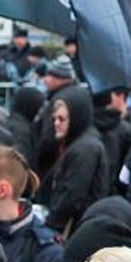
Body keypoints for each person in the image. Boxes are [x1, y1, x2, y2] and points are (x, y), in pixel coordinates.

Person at [38, 86, 110, 234]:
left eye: (62, 119)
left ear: (76, 118)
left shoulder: (84, 148)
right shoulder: (77, 143)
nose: (56, 123)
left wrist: (51, 227)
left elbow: (71, 196)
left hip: (76, 228)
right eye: (55, 118)